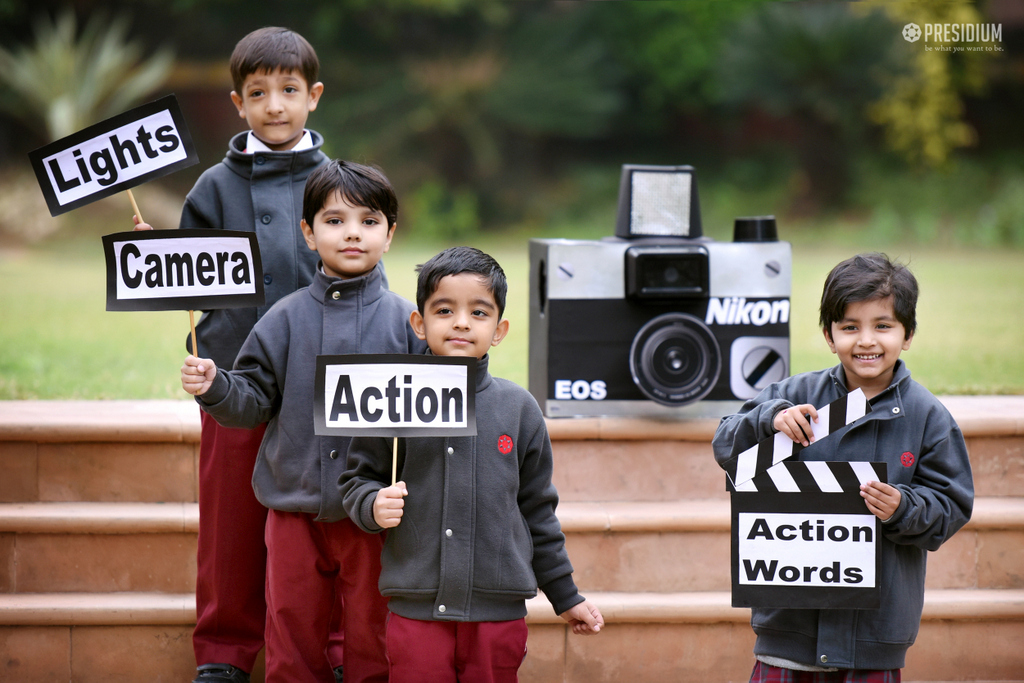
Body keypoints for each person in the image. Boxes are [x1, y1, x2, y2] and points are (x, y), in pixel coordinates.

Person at [131, 26, 339, 683]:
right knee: (229, 520)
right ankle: (223, 650)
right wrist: (156, 255)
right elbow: (185, 283)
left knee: (327, 516)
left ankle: (331, 647)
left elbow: (361, 263)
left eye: (288, 91)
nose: (275, 105)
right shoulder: (215, 186)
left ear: (314, 97)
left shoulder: (338, 183)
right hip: (232, 374)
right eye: (259, 93)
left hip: (319, 380)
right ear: (237, 103)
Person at [180, 159, 424, 683]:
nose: (353, 233)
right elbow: (251, 398)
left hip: (372, 515)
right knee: (290, 627)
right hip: (292, 506)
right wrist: (217, 386)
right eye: (335, 221)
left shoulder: (410, 324)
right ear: (308, 234)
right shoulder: (283, 318)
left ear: (390, 233)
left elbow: (438, 410)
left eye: (368, 220)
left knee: (370, 631)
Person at [340, 246, 604, 683]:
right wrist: (372, 504)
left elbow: (538, 510)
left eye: (478, 313)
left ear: (498, 330)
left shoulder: (519, 409)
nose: (461, 322)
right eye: (445, 310)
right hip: (416, 610)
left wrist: (565, 595)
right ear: (420, 324)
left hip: (497, 614)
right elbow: (356, 480)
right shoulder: (391, 397)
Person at [712, 252, 974, 682]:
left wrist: (902, 508)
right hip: (789, 626)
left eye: (882, 326)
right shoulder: (794, 394)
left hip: (874, 633)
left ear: (907, 334)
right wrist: (769, 419)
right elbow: (725, 443)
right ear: (829, 336)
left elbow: (951, 505)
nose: (866, 340)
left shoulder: (928, 417)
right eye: (850, 327)